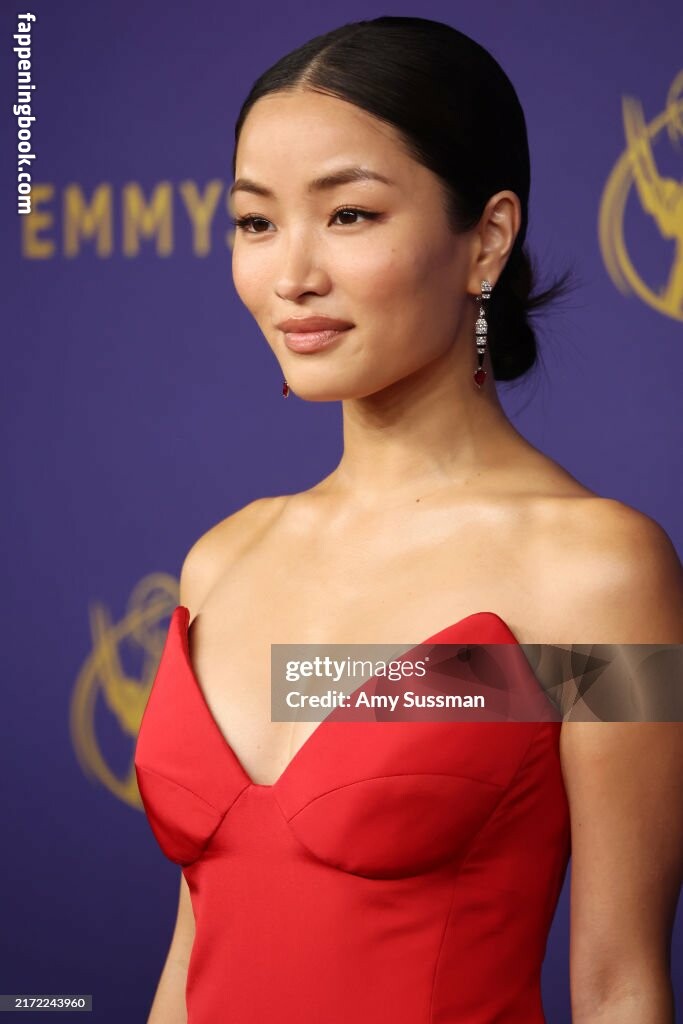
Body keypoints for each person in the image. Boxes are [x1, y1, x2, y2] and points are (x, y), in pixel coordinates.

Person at [134, 16, 683, 1024]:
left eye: (348, 214)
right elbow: (192, 956)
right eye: (254, 222)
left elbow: (620, 986)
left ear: (487, 238)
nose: (291, 274)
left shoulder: (598, 572)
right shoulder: (223, 558)